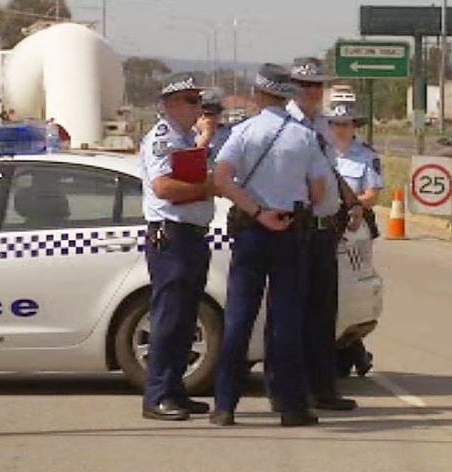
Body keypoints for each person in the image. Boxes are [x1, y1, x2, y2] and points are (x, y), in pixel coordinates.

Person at [210, 63, 329, 428]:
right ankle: (291, 407)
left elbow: (221, 178)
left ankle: (225, 406)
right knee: (285, 322)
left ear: (258, 95)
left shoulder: (243, 132)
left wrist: (258, 210)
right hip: (291, 231)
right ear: (287, 95)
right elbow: (319, 190)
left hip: (251, 230)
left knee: (238, 318)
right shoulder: (304, 136)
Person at [138, 72, 216, 421]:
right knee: (169, 318)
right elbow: (164, 187)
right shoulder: (162, 137)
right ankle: (156, 394)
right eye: (190, 100)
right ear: (168, 104)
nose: (197, 107)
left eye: (198, 100)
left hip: (192, 235)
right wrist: (207, 188)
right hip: (171, 235)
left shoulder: (186, 138)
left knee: (186, 319)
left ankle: (175, 389)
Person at [287, 57, 363, 411]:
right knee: (294, 314)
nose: (313, 92)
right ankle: (292, 391)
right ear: (291, 87)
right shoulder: (283, 123)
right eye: (306, 86)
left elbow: (330, 171)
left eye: (318, 86)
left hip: (324, 231)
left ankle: (322, 388)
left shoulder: (321, 124)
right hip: (295, 229)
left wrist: (352, 202)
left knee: (322, 314)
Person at [326, 103, 384, 378]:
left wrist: (351, 206)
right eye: (335, 124)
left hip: (354, 228)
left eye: (345, 124)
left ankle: (351, 350)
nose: (340, 129)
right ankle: (353, 352)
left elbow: (372, 194)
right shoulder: (319, 153)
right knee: (331, 292)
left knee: (346, 289)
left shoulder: (365, 156)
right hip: (326, 226)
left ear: (354, 127)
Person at [195, 87, 232, 166]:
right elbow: (193, 159)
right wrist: (206, 134)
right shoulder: (186, 135)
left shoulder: (228, 135)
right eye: (204, 114)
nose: (208, 119)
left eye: (211, 114)